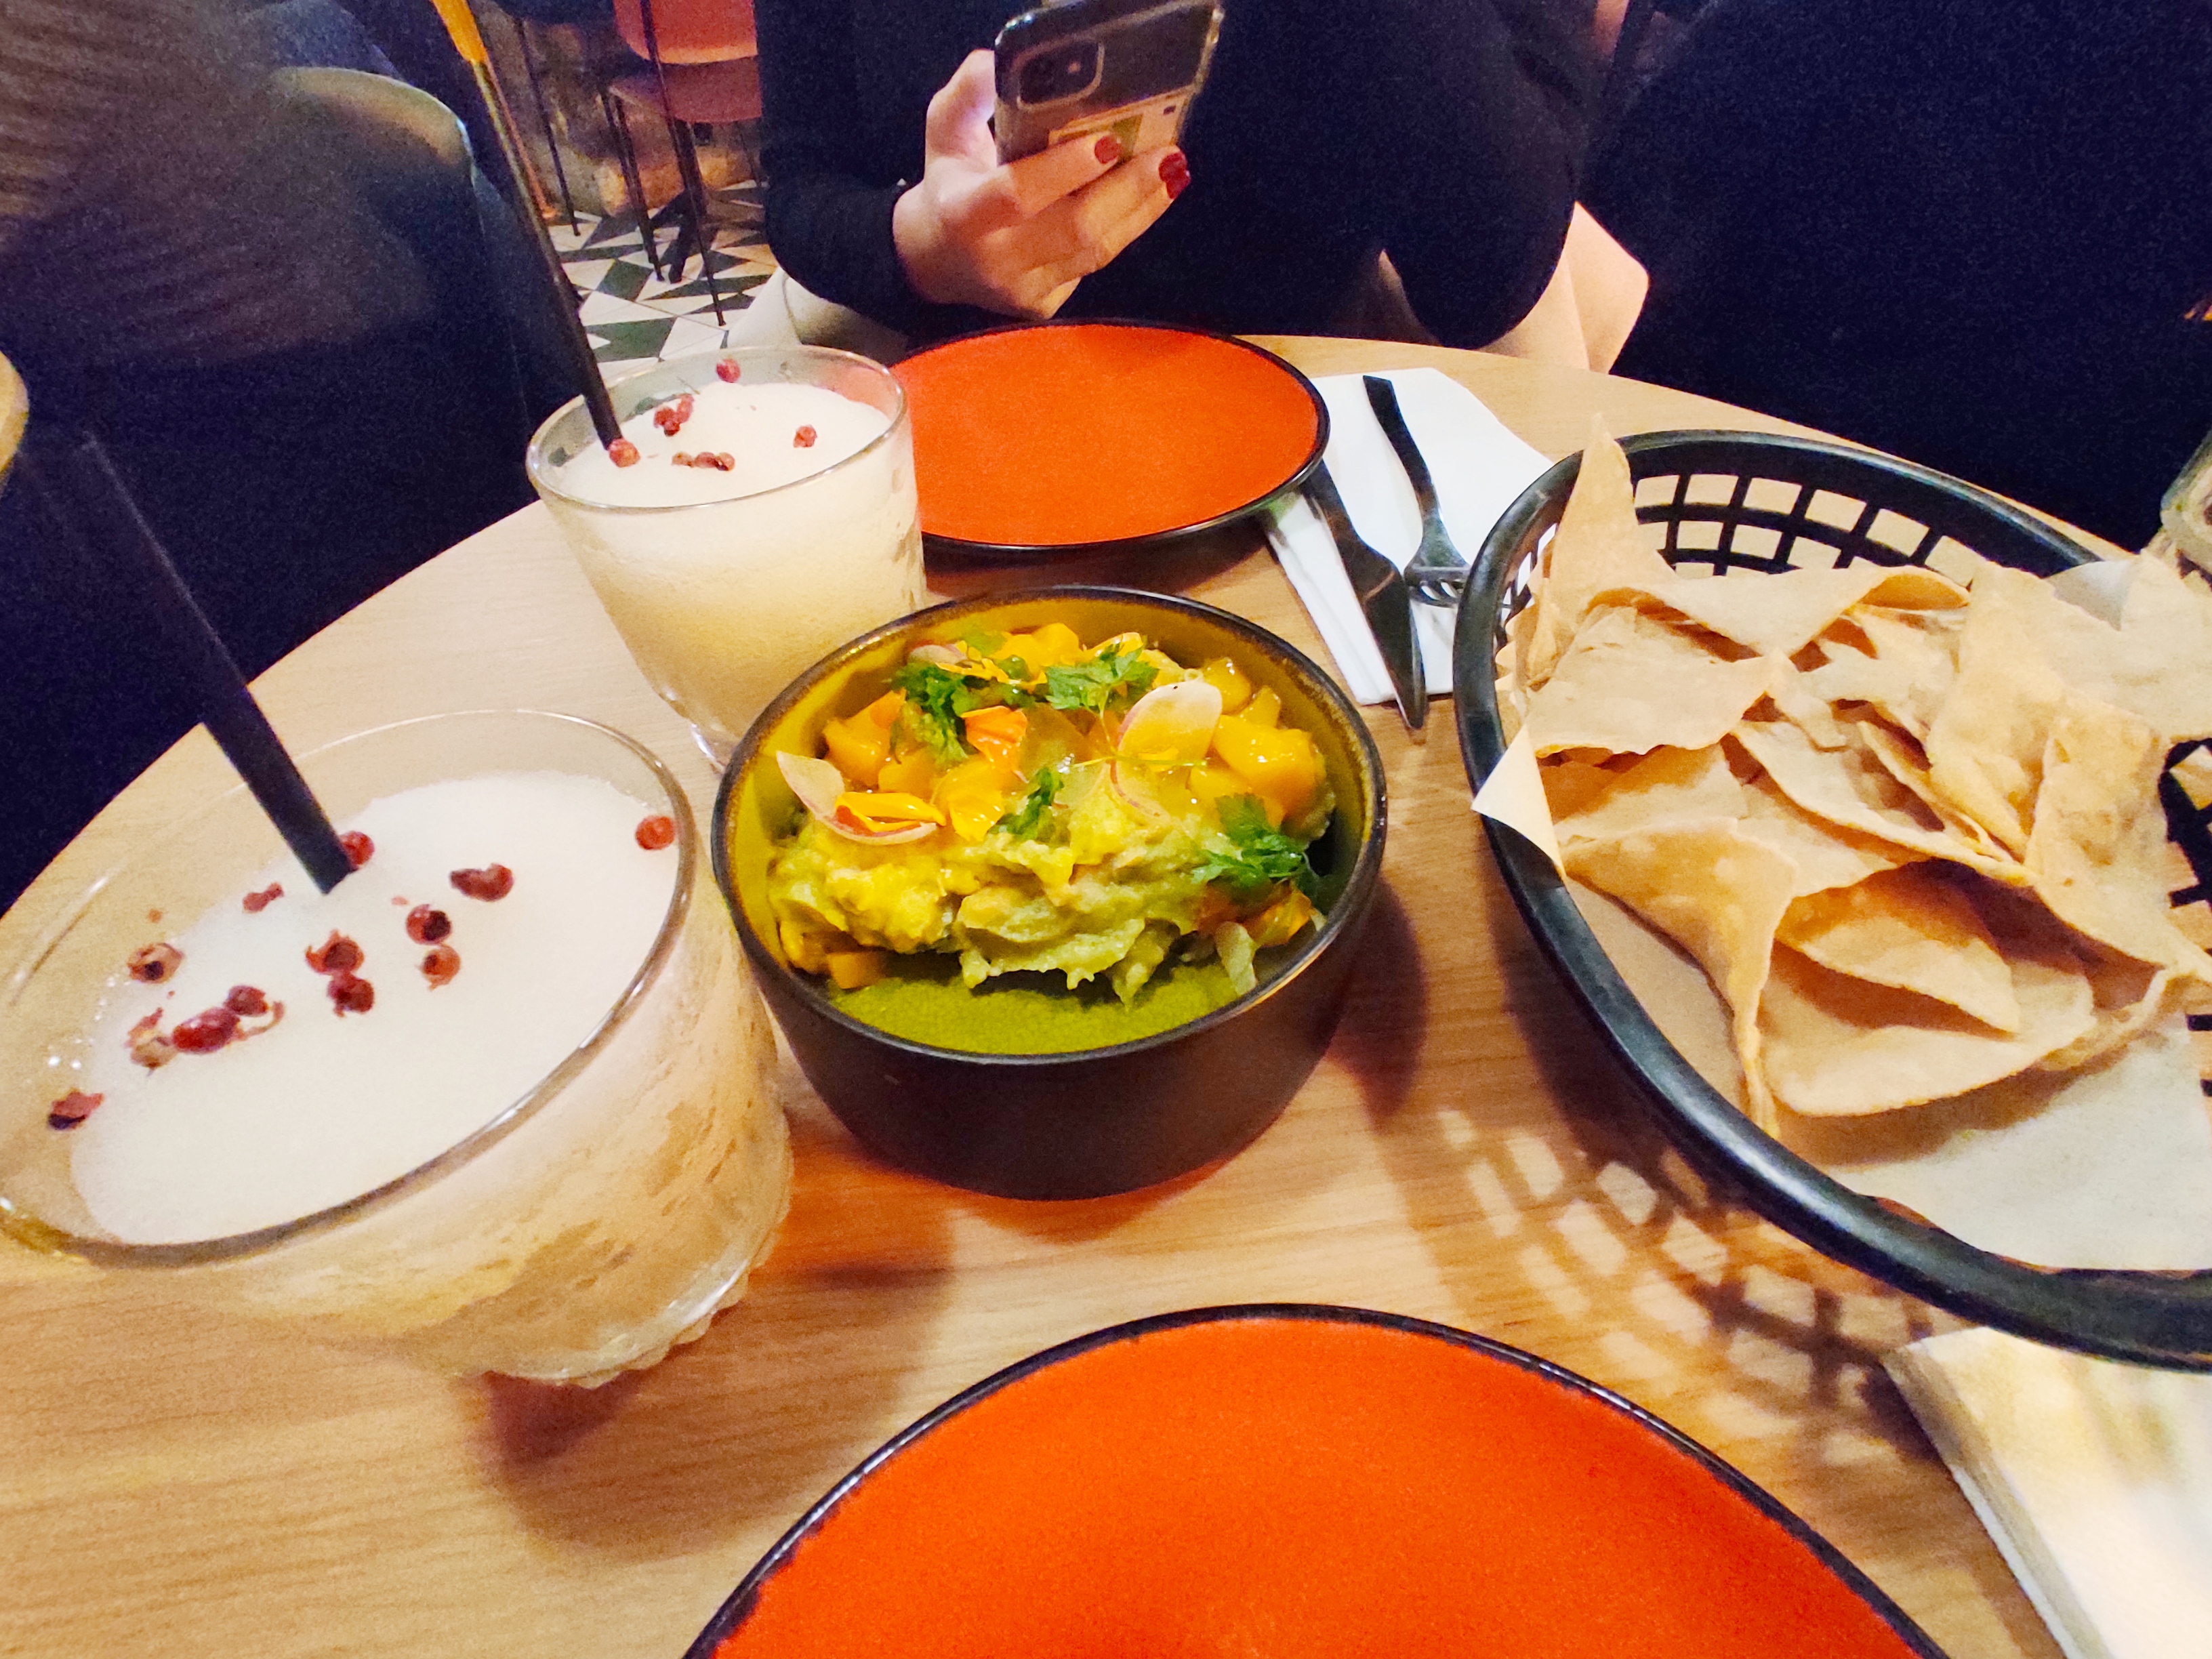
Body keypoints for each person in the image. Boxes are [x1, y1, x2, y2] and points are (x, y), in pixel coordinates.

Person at [753, 0, 1639, 364]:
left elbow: (1490, 270)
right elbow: (803, 176)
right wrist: (922, 248)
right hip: (950, 375)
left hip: (1302, 386)